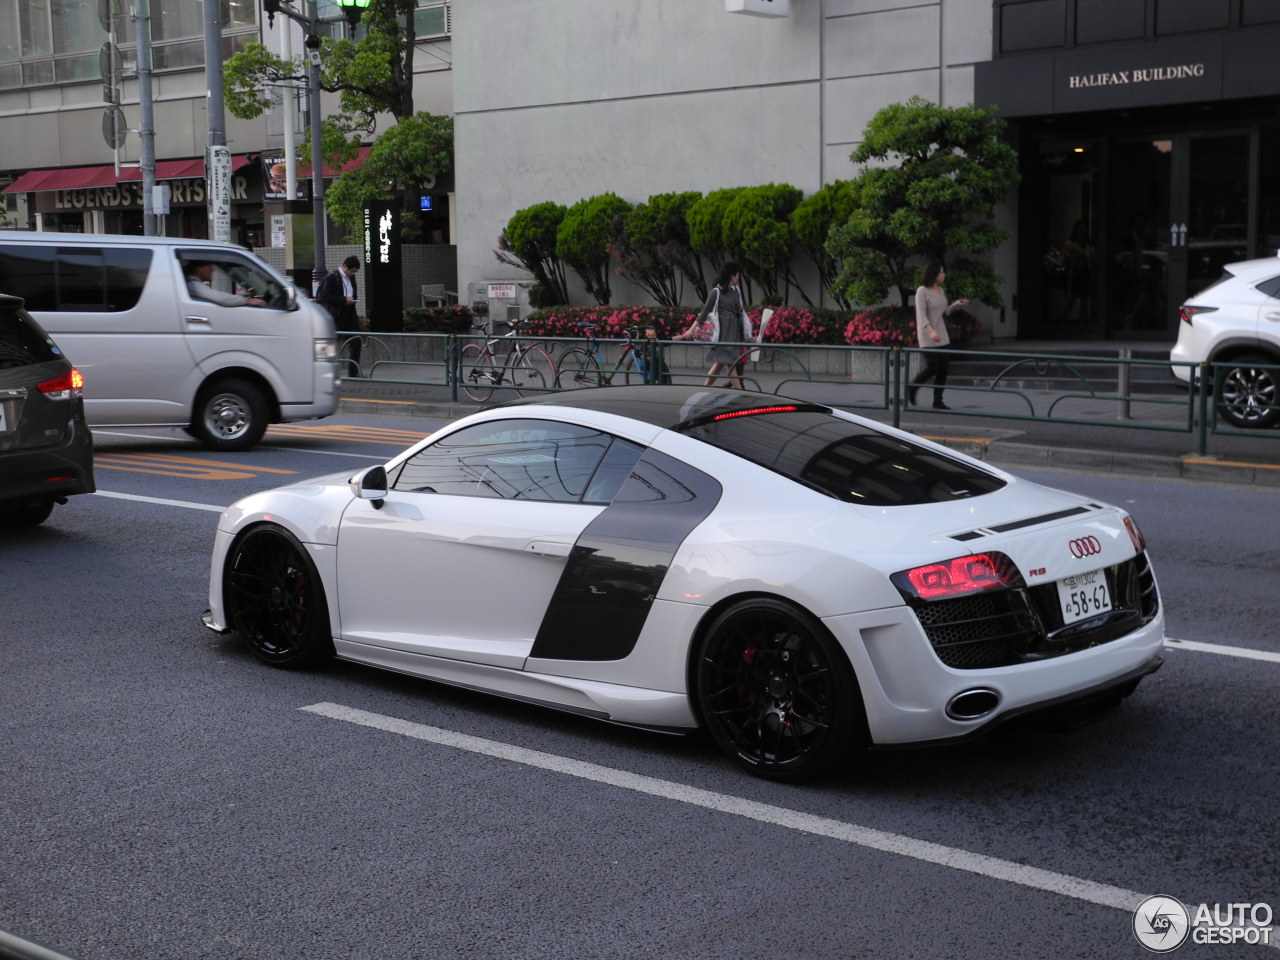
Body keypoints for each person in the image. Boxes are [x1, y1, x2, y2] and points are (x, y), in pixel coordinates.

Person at [673, 261, 752, 389]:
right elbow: (704, 312)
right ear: (731, 276)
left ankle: (705, 388)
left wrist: (747, 332)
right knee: (730, 362)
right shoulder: (717, 292)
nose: (738, 278)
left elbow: (740, 311)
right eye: (737, 275)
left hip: (734, 331)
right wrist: (691, 330)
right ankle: (741, 392)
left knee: (721, 362)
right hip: (722, 332)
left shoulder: (736, 290)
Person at [908, 261, 968, 410]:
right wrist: (930, 331)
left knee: (943, 369)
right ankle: (912, 388)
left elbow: (943, 312)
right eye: (941, 272)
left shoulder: (941, 291)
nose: (943, 275)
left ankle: (938, 401)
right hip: (929, 336)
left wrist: (955, 305)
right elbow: (921, 315)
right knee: (933, 367)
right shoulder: (922, 291)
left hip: (942, 335)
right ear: (933, 274)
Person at [316, 256, 361, 374]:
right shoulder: (332, 278)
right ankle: (324, 370)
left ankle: (353, 371)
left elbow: (353, 293)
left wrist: (352, 300)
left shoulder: (352, 278)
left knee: (356, 341)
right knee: (330, 342)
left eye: (355, 272)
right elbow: (325, 296)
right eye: (352, 271)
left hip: (350, 313)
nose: (353, 273)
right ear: (345, 266)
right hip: (336, 315)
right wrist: (344, 300)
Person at [185, 260, 265, 308]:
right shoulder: (194, 285)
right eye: (210, 268)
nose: (212, 271)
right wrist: (246, 300)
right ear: (200, 269)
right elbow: (218, 297)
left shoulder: (193, 284)